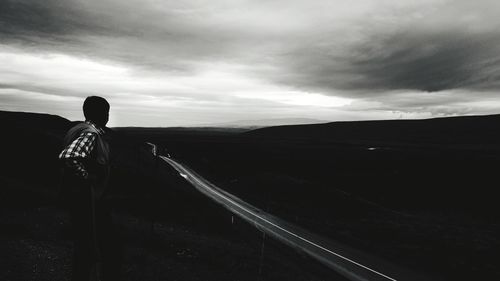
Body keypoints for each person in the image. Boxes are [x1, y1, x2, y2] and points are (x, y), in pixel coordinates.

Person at [59, 96, 119, 281]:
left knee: (85, 249)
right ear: (100, 114)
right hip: (90, 203)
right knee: (104, 250)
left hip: (79, 201)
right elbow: (69, 156)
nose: (108, 116)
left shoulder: (77, 129)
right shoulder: (90, 134)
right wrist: (87, 178)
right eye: (106, 112)